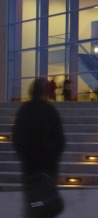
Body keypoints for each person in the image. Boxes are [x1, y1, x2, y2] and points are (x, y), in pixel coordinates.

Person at [12, 77, 66, 217]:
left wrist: (25, 157)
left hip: (30, 168)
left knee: (33, 203)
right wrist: (53, 159)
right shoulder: (50, 111)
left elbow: (17, 140)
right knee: (47, 203)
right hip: (47, 167)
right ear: (45, 92)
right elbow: (60, 140)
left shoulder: (24, 111)